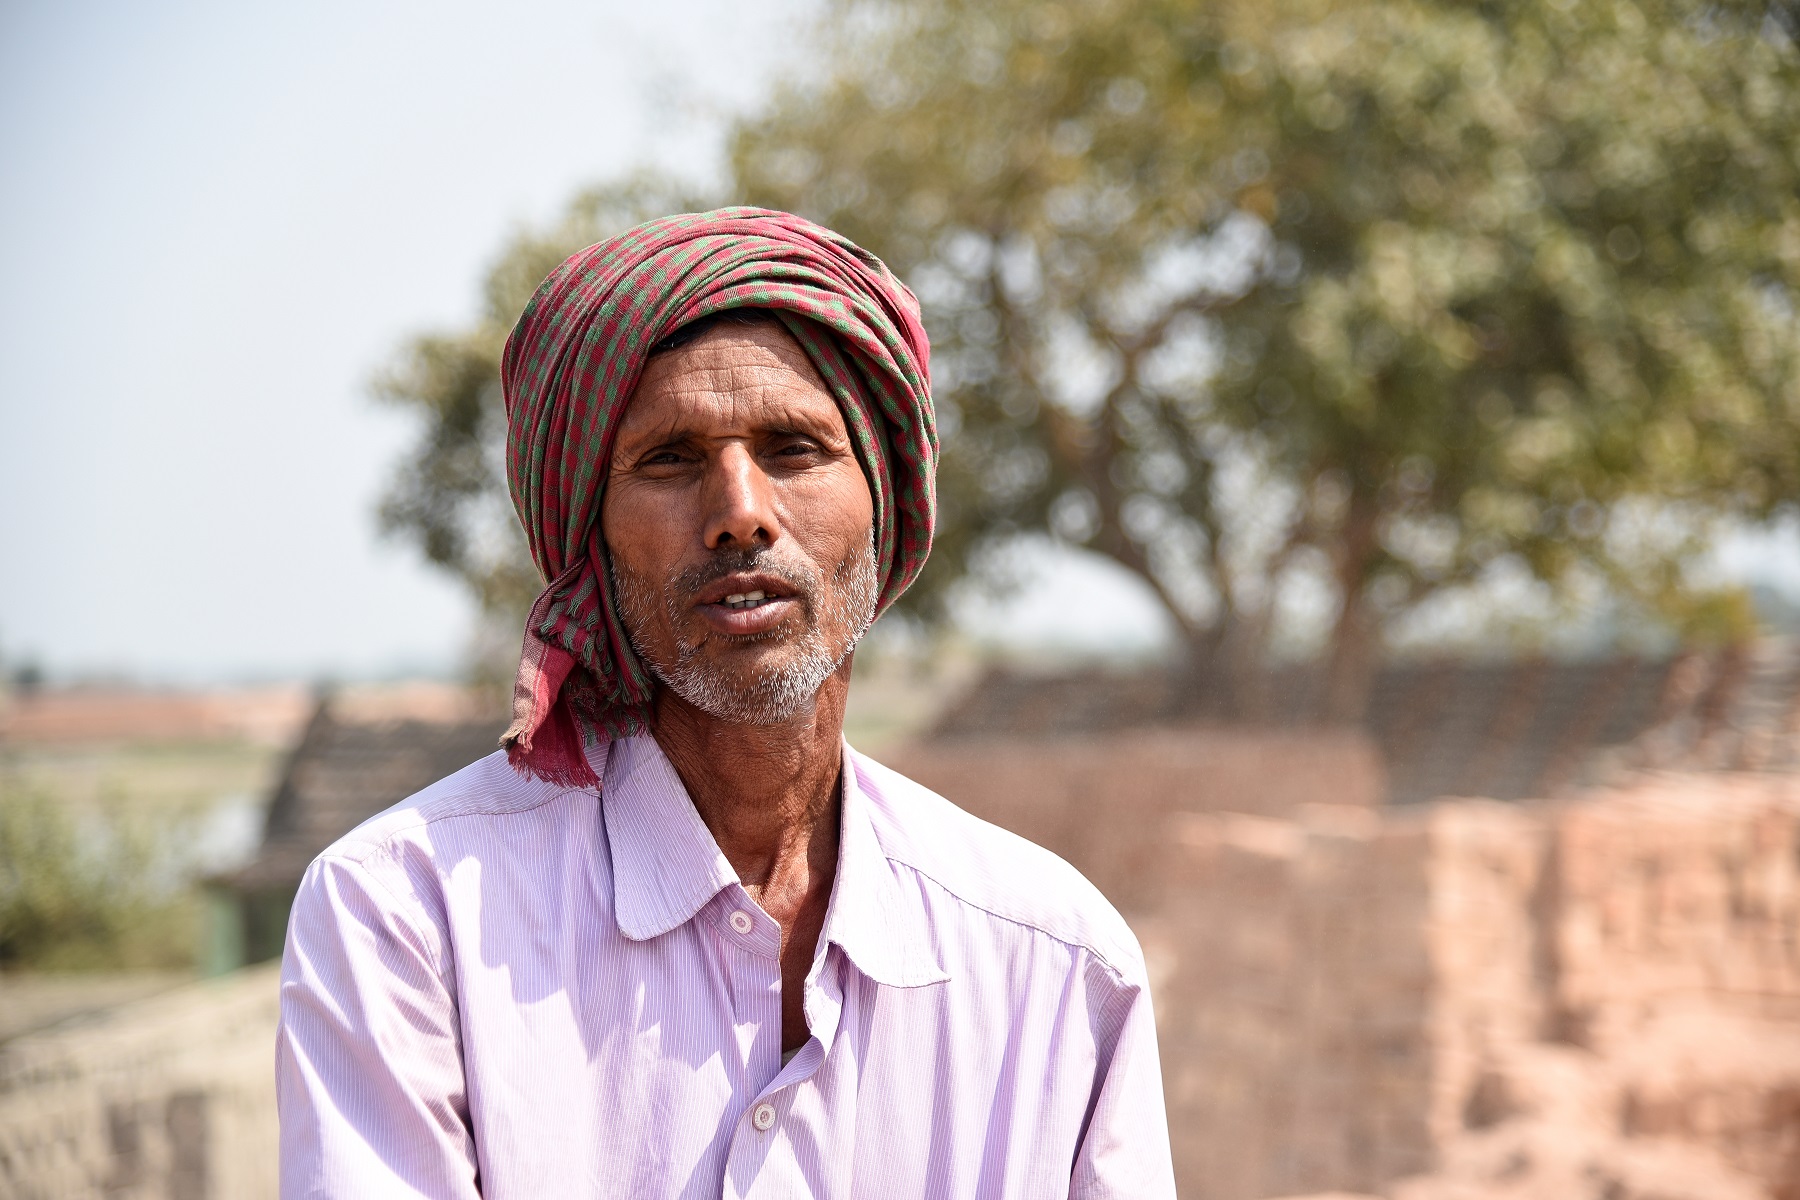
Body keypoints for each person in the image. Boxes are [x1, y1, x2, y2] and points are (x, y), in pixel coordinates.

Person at [276, 208, 1175, 1199]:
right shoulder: (408, 918)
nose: (740, 509)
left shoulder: (1054, 965)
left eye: (793, 447)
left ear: (884, 502)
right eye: (668, 460)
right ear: (594, 533)